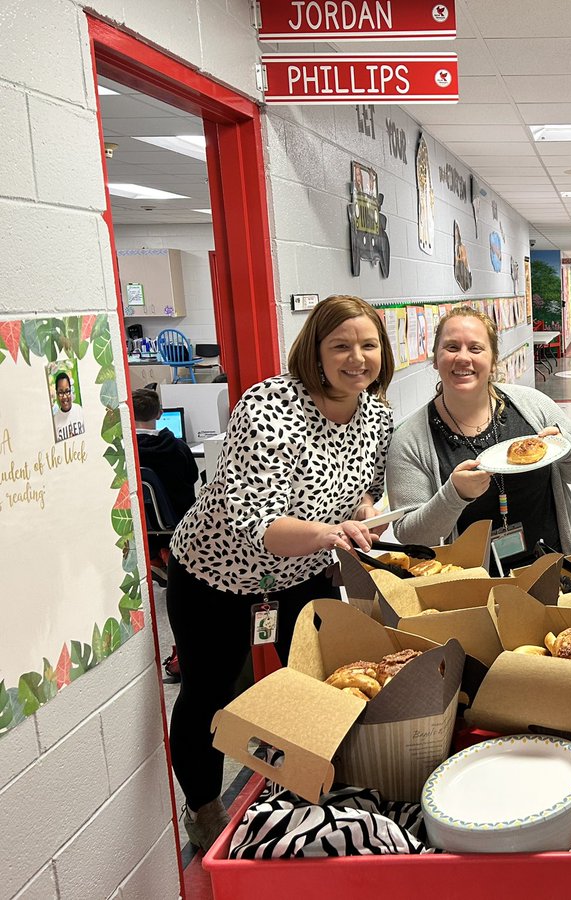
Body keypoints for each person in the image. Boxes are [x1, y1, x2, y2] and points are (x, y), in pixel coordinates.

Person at [165, 295, 395, 852]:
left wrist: (368, 518)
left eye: (368, 345)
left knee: (318, 679)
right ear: (314, 351)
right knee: (210, 690)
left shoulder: (378, 415)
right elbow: (255, 521)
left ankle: (304, 790)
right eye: (340, 346)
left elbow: (362, 493)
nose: (356, 358)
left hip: (305, 574)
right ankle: (205, 808)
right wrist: (330, 532)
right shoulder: (269, 405)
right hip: (217, 576)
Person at [386, 306, 571, 567]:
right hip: (473, 587)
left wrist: (567, 446)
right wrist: (454, 496)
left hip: (552, 567)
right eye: (452, 347)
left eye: (476, 348)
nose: (463, 358)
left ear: (493, 359)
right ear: (435, 358)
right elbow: (410, 536)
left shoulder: (532, 405)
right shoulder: (410, 440)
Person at [132, 387, 198, 542]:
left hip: (140, 520)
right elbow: (193, 477)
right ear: (159, 414)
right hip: (180, 519)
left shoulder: (125, 453)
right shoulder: (178, 447)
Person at [52, 371, 85, 442]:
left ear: (71, 390)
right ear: (57, 394)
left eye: (67, 391)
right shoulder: (55, 420)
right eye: (60, 392)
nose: (64, 397)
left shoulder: (79, 410)